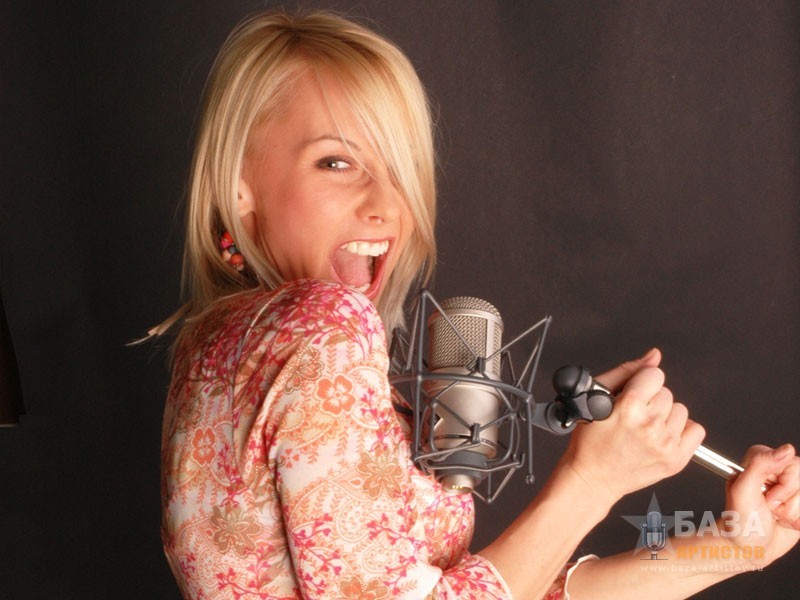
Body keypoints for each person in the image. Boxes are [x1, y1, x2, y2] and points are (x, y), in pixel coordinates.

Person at [158, 9, 800, 599]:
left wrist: (734, 548)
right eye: (335, 162)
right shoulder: (324, 328)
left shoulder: (214, 350)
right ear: (239, 186)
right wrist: (592, 482)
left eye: (400, 170)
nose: (387, 204)